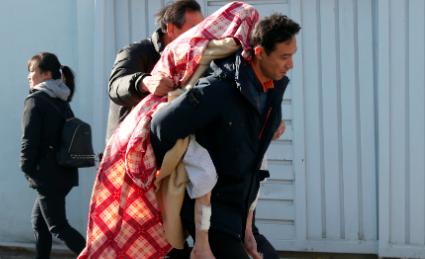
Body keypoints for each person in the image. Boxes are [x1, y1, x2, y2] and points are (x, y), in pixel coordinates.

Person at [150, 13, 301, 259]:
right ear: (260, 52)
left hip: (242, 212)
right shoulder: (217, 90)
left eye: (292, 55)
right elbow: (161, 126)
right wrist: (183, 165)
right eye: (284, 56)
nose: (290, 64)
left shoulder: (272, 90)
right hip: (211, 215)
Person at [106, 0, 204, 142]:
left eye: (203, 27)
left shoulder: (196, 58)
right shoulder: (136, 52)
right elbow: (115, 87)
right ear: (171, 29)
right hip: (127, 147)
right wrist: (144, 82)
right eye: (194, 28)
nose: (201, 35)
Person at [20, 52, 86, 259]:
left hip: (47, 175)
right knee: (39, 223)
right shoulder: (61, 100)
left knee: (58, 226)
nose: (29, 76)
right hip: (64, 173)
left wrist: (27, 168)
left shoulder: (36, 101)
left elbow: (29, 140)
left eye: (32, 71)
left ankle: (97, 256)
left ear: (46, 74)